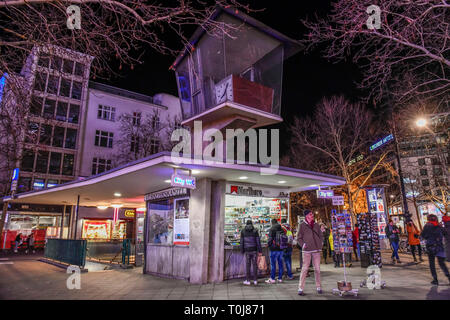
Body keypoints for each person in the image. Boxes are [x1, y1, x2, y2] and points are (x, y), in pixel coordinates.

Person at [297, 210, 323, 295]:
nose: (312, 216)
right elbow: (299, 238)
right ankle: (300, 288)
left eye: (312, 214)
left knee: (317, 269)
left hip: (316, 249)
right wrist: (303, 245)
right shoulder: (302, 225)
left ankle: (319, 286)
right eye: (310, 214)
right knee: (304, 269)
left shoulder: (316, 225)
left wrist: (320, 243)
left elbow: (320, 235)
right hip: (306, 250)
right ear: (306, 216)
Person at [420, 214, 450, 285]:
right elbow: (445, 233)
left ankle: (435, 279)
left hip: (431, 247)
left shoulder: (427, 226)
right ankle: (449, 277)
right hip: (439, 247)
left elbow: (423, 235)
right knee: (442, 263)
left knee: (432, 264)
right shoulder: (439, 226)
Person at [240, 220, 262, 285]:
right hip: (254, 250)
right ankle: (255, 280)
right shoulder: (255, 231)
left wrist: (242, 250)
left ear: (246, 224)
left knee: (248, 265)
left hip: (247, 251)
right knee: (255, 265)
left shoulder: (243, 231)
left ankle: (248, 280)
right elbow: (258, 241)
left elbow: (241, 242)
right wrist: (260, 250)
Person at [265, 219, 284, 284]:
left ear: (272, 223)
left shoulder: (272, 229)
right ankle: (280, 278)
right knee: (280, 264)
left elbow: (270, 239)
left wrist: (268, 244)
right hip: (280, 249)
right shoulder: (281, 229)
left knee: (273, 265)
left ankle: (272, 278)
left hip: (273, 249)